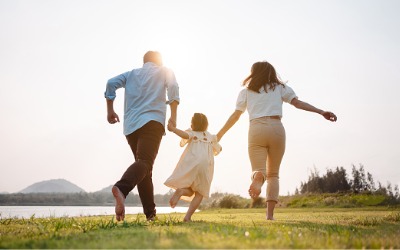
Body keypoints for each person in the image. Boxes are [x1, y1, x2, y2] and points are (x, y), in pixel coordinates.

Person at [217, 61, 337, 220]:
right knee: (273, 175)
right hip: (276, 128)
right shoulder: (280, 88)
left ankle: (258, 176)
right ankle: (269, 216)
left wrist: (220, 134)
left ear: (253, 73)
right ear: (271, 72)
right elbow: (298, 103)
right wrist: (321, 111)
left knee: (258, 169)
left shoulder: (246, 92)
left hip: (256, 129)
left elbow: (235, 116)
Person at [104, 51, 180, 221]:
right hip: (152, 122)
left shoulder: (131, 74)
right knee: (145, 164)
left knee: (144, 169)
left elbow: (111, 83)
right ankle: (122, 189)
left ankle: (150, 215)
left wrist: (110, 110)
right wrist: (173, 116)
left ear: (144, 62)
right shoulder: (165, 71)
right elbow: (174, 87)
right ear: (159, 62)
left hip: (131, 127)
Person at [164, 113, 222, 222]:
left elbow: (184, 135)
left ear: (192, 124)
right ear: (206, 125)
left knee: (190, 191)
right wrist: (219, 147)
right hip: (205, 166)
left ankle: (181, 191)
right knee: (199, 194)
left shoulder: (192, 133)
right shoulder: (210, 136)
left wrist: (173, 129)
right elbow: (218, 149)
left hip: (192, 163)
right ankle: (187, 217)